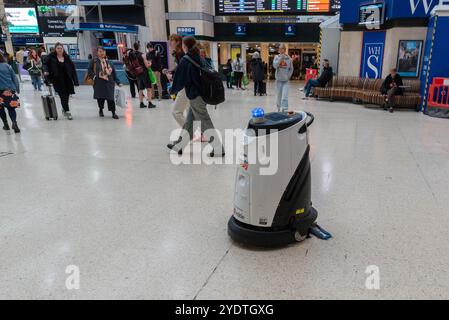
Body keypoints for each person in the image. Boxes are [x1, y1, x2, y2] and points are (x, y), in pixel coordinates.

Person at [167, 36, 224, 157]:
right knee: (190, 123)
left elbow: (180, 79)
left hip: (195, 96)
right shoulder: (199, 56)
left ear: (184, 46)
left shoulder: (186, 60)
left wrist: (171, 90)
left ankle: (218, 148)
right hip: (202, 94)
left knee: (204, 122)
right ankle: (179, 145)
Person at [44, 42, 79, 120]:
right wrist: (46, 71)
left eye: (61, 48)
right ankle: (68, 111)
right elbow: (45, 64)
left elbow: (72, 69)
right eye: (58, 48)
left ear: (63, 49)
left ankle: (64, 108)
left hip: (68, 80)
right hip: (58, 80)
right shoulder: (51, 57)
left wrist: (75, 81)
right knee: (62, 96)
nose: (59, 50)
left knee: (66, 97)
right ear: (55, 49)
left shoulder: (67, 58)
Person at [88, 46, 120, 119]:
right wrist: (94, 77)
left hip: (109, 83)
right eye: (100, 51)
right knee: (100, 98)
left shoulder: (109, 62)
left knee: (110, 98)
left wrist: (118, 82)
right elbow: (89, 70)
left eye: (103, 51)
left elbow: (114, 73)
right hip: (99, 82)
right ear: (97, 53)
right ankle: (101, 109)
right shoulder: (94, 61)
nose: (102, 53)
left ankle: (113, 112)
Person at [165, 34, 189, 127]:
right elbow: (179, 68)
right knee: (191, 112)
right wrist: (172, 72)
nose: (170, 42)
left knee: (176, 112)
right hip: (188, 86)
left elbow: (182, 71)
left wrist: (172, 76)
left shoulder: (181, 54)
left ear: (178, 42)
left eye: (172, 40)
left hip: (185, 87)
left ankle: (191, 132)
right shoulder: (179, 53)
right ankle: (198, 133)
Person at [0, 53, 21, 134]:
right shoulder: (7, 66)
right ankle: (14, 122)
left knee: (1, 109)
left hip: (0, 91)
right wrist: (17, 88)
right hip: (10, 90)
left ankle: (6, 125)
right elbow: (14, 78)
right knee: (11, 108)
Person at [131, 42, 155, 109]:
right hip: (144, 73)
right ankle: (149, 103)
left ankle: (141, 103)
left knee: (140, 89)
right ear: (139, 47)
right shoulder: (142, 55)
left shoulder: (132, 55)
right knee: (149, 88)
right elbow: (147, 66)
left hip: (137, 74)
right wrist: (150, 63)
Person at [273, 44, 293, 112]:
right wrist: (280, 59)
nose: (281, 50)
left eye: (282, 48)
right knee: (279, 95)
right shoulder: (276, 57)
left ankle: (284, 109)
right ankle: (278, 107)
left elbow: (291, 69)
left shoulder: (289, 58)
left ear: (284, 49)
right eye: (280, 48)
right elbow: (275, 66)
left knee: (285, 95)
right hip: (278, 80)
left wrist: (288, 76)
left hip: (286, 81)